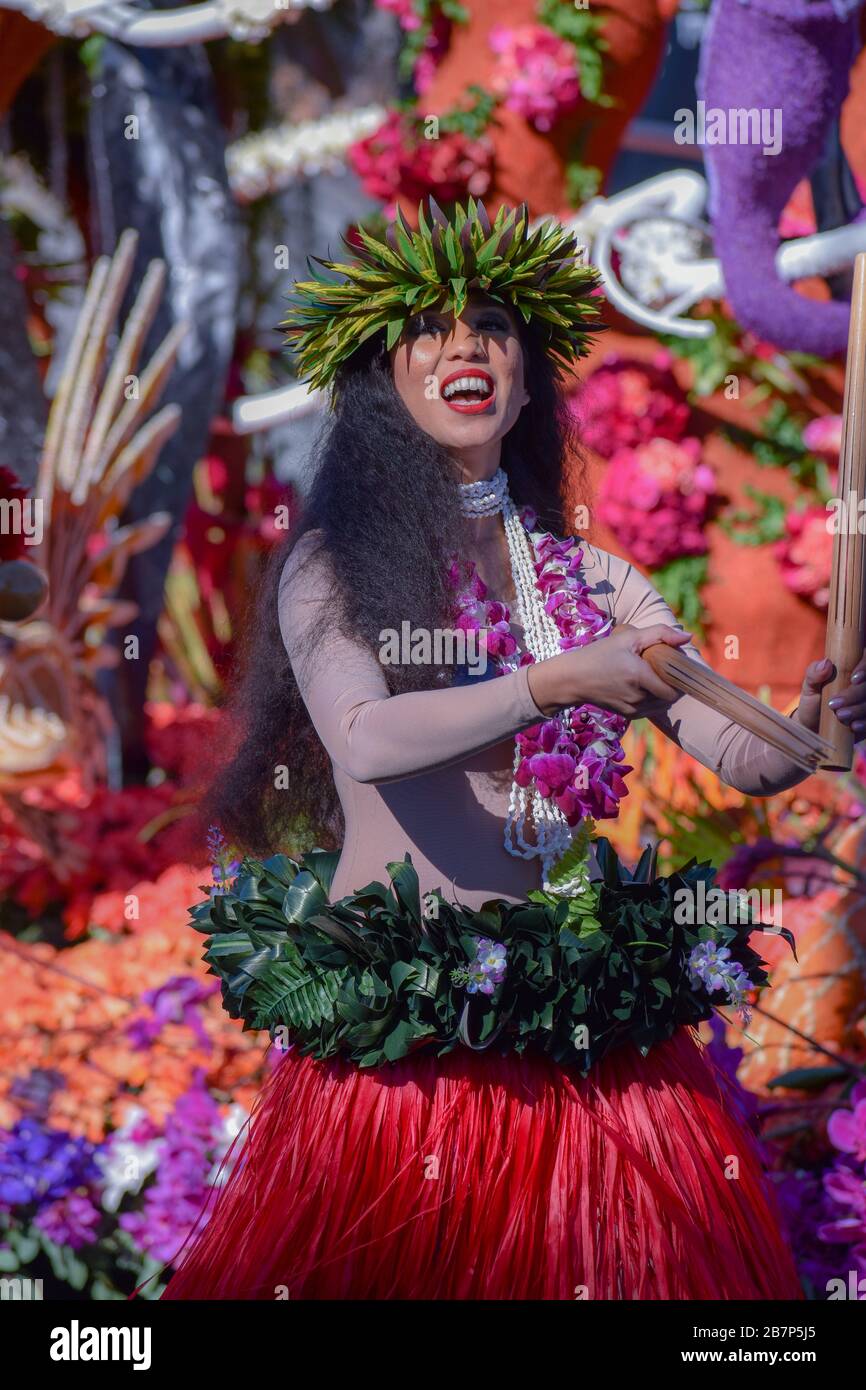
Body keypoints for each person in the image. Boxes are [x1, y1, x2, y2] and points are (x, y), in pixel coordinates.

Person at [161, 199, 865, 1301]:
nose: (466, 348)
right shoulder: (332, 567)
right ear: (380, 388)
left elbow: (750, 757)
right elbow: (362, 738)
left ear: (528, 383)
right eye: (429, 333)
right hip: (409, 1055)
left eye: (492, 327)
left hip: (582, 1037)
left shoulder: (592, 582)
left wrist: (824, 718)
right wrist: (549, 683)